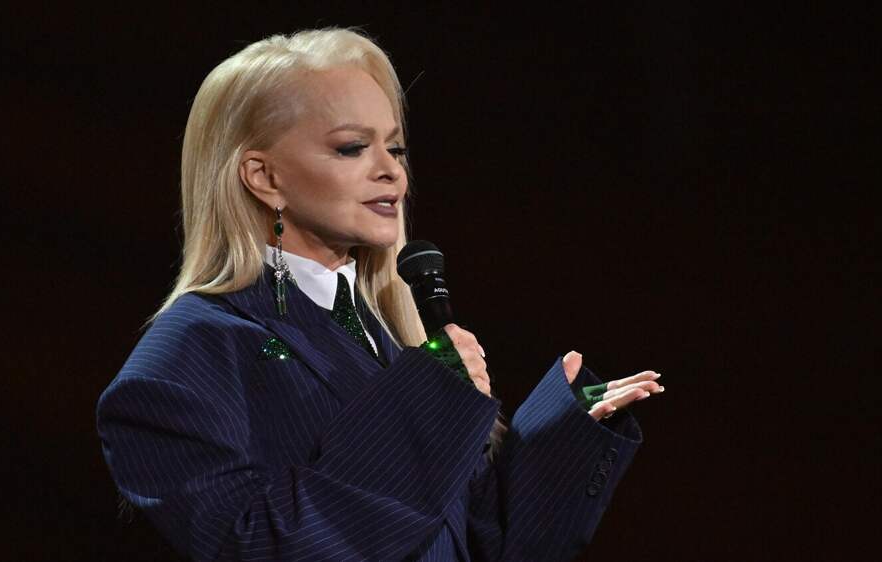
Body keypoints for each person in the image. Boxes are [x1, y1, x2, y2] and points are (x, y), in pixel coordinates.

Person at [96, 27, 664, 561]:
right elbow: (257, 544)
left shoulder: (382, 332)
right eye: (351, 148)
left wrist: (559, 438)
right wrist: (428, 404)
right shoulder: (188, 353)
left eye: (395, 149)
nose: (390, 170)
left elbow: (472, 541)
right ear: (264, 177)